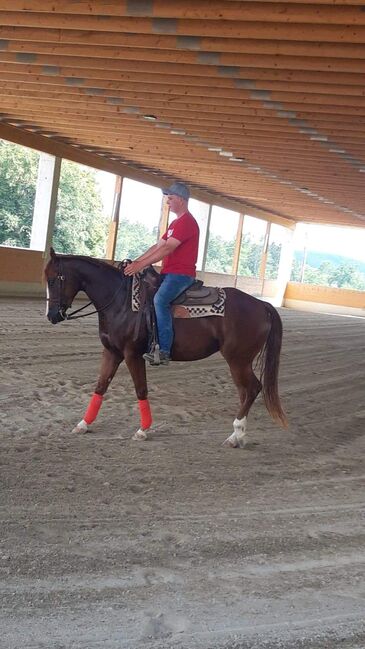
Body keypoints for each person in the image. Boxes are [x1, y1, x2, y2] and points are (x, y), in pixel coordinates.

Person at [124, 182, 199, 365]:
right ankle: (148, 341)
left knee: (160, 300)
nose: (168, 203)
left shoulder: (187, 222)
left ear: (181, 200)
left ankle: (164, 350)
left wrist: (141, 265)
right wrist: (136, 262)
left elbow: (167, 249)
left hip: (181, 275)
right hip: (169, 273)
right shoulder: (175, 223)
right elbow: (157, 246)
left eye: (170, 199)